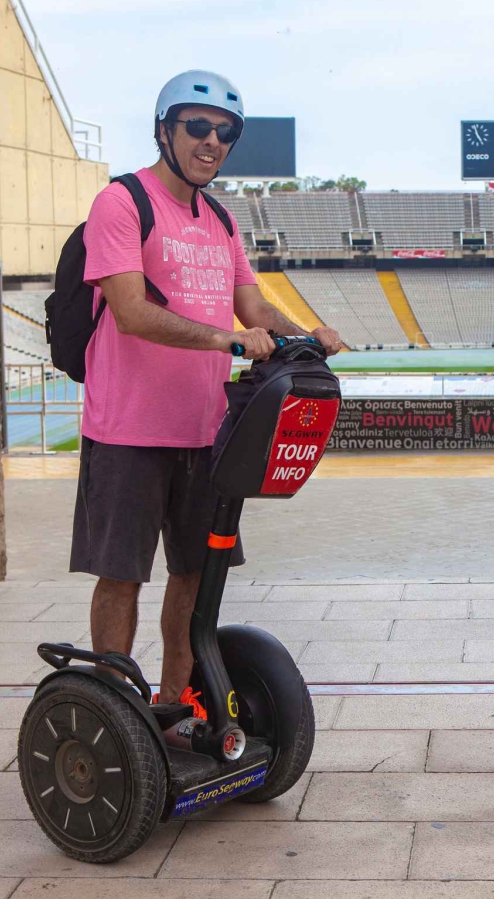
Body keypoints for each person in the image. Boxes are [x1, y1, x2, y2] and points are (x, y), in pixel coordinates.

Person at [71, 70, 345, 714]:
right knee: (123, 576)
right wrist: (227, 341)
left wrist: (308, 333)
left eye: (225, 133)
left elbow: (251, 306)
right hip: (127, 431)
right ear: (165, 131)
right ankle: (116, 713)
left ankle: (173, 706)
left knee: (194, 576)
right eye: (197, 127)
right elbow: (131, 312)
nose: (211, 142)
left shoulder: (219, 219)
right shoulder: (121, 203)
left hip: (203, 431)